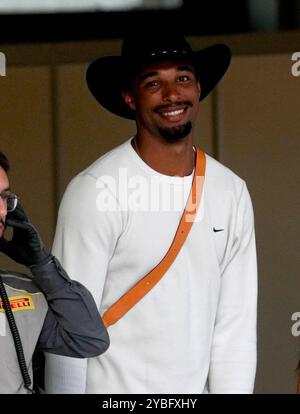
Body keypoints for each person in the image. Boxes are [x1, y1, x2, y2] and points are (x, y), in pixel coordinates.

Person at [45, 31, 258, 394]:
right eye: (153, 82)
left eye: (183, 78)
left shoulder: (230, 192)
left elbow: (234, 330)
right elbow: (69, 332)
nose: (172, 94)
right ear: (129, 97)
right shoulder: (97, 190)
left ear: (198, 88)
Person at [0, 151, 109, 394]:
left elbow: (88, 339)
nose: (1, 211)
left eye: (4, 197)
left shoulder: (23, 294)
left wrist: (42, 264)